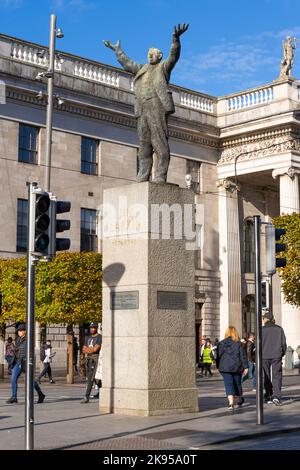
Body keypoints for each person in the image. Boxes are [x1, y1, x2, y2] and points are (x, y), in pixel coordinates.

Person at [103, 24, 188, 183]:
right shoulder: (142, 68)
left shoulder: (163, 67)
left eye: (152, 54)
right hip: (142, 108)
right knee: (143, 144)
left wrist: (175, 39)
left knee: (159, 141)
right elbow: (127, 63)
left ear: (159, 56)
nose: (149, 56)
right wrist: (117, 50)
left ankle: (161, 175)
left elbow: (174, 56)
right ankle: (143, 174)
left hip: (157, 106)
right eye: (148, 54)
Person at [6, 324, 45, 404]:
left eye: (20, 331)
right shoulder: (18, 339)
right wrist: (12, 362)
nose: (19, 332)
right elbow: (17, 351)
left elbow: (27, 351)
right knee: (13, 378)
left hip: (25, 361)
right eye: (18, 331)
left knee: (30, 380)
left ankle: (40, 394)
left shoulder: (29, 339)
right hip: (17, 361)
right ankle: (14, 397)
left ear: (25, 331)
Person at [216, 326, 248, 411]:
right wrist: (246, 367)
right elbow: (243, 356)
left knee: (228, 384)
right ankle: (239, 399)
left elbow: (218, 356)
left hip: (225, 367)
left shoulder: (222, 343)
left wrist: (218, 366)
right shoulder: (239, 344)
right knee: (237, 383)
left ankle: (231, 403)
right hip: (237, 367)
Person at [262, 311, 287, 406]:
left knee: (266, 375)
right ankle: (276, 396)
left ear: (265, 319)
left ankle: (268, 395)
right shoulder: (279, 329)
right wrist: (282, 353)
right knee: (277, 375)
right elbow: (284, 343)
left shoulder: (261, 329)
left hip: (264, 355)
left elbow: (257, 344)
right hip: (276, 355)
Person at [80, 323, 102, 404]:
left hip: (95, 359)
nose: (91, 329)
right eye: (90, 328)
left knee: (91, 378)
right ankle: (102, 391)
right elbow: (83, 349)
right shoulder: (87, 337)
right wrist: (90, 350)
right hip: (88, 359)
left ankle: (86, 397)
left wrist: (89, 350)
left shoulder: (99, 337)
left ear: (96, 328)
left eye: (93, 328)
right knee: (95, 379)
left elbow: (96, 349)